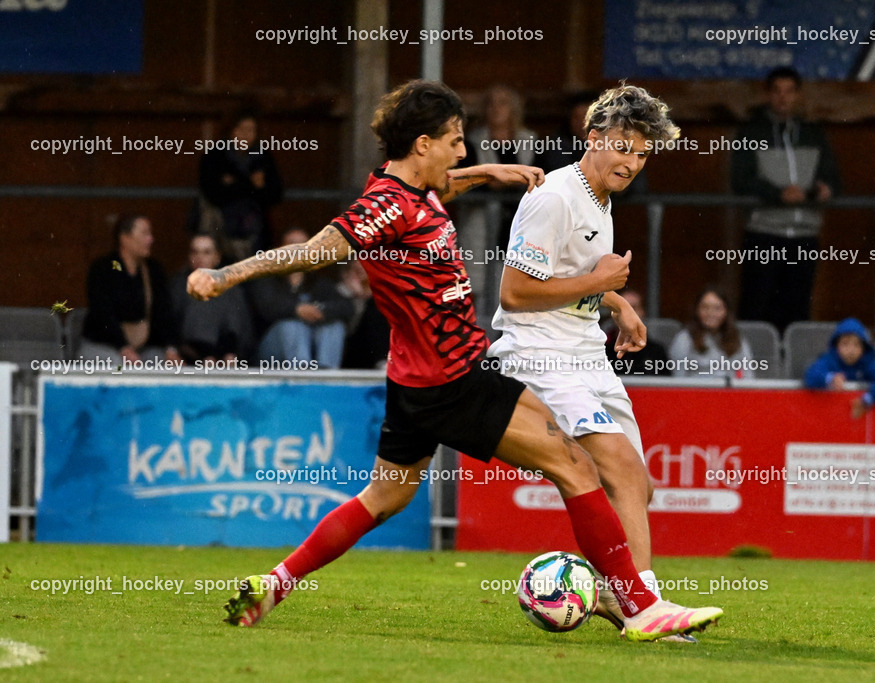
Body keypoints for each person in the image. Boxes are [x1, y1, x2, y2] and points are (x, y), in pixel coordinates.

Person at [187, 79, 722, 641]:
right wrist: (226, 274)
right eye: (455, 140)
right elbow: (323, 247)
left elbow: (439, 190)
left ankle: (277, 581)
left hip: (411, 382)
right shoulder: (384, 207)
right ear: (423, 144)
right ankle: (640, 607)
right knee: (576, 466)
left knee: (384, 496)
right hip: (455, 376)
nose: (463, 151)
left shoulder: (413, 191)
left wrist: (489, 174)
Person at [490, 84, 712, 642]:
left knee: (636, 484)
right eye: (624, 148)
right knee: (616, 465)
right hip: (542, 353)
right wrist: (602, 284)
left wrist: (617, 305)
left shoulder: (600, 199)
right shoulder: (553, 197)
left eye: (642, 154)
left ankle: (622, 596)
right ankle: (646, 606)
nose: (632, 163)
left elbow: (574, 276)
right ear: (593, 138)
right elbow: (515, 293)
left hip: (587, 350)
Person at [731, 67, 841, 332]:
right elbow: (740, 179)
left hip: (804, 234)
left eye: (789, 91)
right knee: (757, 307)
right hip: (764, 231)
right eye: (777, 91)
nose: (783, 98)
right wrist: (778, 194)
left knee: (797, 308)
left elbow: (832, 178)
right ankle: (752, 370)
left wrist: (820, 191)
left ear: (798, 95)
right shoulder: (751, 132)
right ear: (768, 94)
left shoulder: (814, 132)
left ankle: (789, 370)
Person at [458, 85, 539, 323]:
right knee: (482, 293)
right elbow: (474, 182)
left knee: (518, 292)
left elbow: (539, 179)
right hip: (482, 227)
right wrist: (512, 181)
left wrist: (500, 182)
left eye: (502, 102)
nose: (496, 108)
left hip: (520, 226)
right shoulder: (472, 141)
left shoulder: (530, 140)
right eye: (491, 103)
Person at [248, 228, 353, 369]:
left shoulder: (319, 282)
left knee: (334, 326)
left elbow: (346, 307)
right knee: (292, 326)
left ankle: (327, 375)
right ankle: (302, 377)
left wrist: (321, 311)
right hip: (270, 354)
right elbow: (267, 307)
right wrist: (296, 309)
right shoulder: (265, 279)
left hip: (312, 348)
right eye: (292, 243)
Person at [81, 214, 179, 364]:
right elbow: (103, 313)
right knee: (117, 367)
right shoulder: (102, 269)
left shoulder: (153, 270)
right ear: (125, 238)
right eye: (145, 233)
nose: (151, 239)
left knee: (163, 365)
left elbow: (164, 311)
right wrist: (123, 348)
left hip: (143, 348)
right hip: (103, 345)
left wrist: (171, 349)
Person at [198, 108, 284, 262]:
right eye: (241, 129)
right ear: (231, 130)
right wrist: (251, 184)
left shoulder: (262, 158)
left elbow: (275, 193)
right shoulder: (216, 156)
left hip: (255, 234)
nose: (246, 135)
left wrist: (236, 184)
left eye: (251, 130)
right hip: (221, 231)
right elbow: (213, 193)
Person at [169, 233, 253, 364]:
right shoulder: (178, 287)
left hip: (228, 361)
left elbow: (242, 333)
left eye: (206, 252)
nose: (199, 257)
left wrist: (231, 355)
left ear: (217, 257)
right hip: (188, 360)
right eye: (195, 252)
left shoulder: (232, 291)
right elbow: (172, 329)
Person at [804, 318, 875, 419]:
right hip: (828, 417)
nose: (851, 350)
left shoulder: (866, 363)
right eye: (845, 343)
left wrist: (867, 400)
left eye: (856, 345)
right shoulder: (829, 360)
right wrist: (830, 378)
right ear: (836, 345)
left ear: (864, 348)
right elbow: (811, 374)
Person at [669, 286, 757, 379]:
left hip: (729, 391)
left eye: (717, 308)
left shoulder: (737, 339)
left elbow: (749, 377)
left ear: (726, 311)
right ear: (697, 310)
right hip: (696, 391)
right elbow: (678, 380)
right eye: (705, 307)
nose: (711, 313)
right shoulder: (684, 339)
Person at [603, 289, 669, 377]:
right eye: (621, 308)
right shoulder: (601, 352)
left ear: (643, 312)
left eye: (633, 308)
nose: (627, 314)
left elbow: (666, 386)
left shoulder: (657, 352)